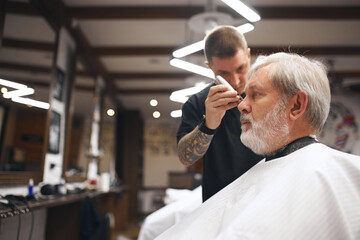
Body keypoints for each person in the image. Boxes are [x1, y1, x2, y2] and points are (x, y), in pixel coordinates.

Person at [157, 52, 360, 239]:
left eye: (255, 95)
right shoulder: (272, 166)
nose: (241, 105)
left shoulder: (333, 174)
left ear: (296, 105)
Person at [177, 25, 262, 202]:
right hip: (218, 204)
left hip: (263, 198)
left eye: (241, 68)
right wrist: (208, 124)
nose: (236, 80)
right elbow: (185, 158)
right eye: (223, 73)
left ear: (248, 55)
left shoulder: (268, 93)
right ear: (210, 67)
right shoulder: (197, 103)